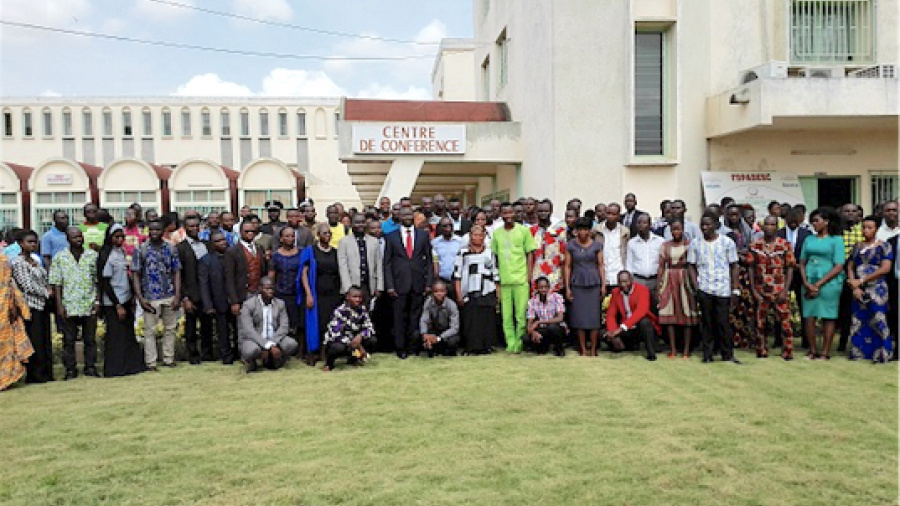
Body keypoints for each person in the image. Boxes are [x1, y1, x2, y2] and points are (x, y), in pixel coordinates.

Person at [688, 213, 740, 364]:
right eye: (702, 225)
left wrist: (735, 289)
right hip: (704, 287)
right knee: (707, 323)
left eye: (708, 224)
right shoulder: (695, 243)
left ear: (716, 225)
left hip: (723, 288)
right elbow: (691, 266)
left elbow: (734, 266)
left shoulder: (727, 242)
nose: (705, 227)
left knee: (723, 323)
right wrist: (696, 286)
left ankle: (727, 355)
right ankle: (708, 355)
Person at [49, 227, 100, 379]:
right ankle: (70, 370)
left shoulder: (92, 256)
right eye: (74, 237)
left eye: (80, 236)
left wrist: (97, 301)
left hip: (88, 302)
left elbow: (97, 281)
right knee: (68, 340)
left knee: (90, 339)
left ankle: (90, 367)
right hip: (69, 304)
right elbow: (56, 283)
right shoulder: (60, 257)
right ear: (68, 239)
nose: (78, 239)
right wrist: (59, 305)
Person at [384, 207, 434, 358]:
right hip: (399, 285)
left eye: (409, 214)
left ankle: (413, 347)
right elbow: (387, 263)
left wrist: (429, 283)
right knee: (399, 318)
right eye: (403, 214)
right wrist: (390, 285)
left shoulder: (423, 236)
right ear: (399, 216)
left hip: (418, 283)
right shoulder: (391, 237)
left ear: (413, 216)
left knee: (415, 317)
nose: (406, 217)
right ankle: (401, 348)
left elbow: (429, 262)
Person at [96, 224, 145, 377]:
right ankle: (115, 369)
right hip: (113, 302)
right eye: (116, 237)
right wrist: (117, 305)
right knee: (115, 336)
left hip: (125, 298)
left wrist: (131, 297)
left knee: (127, 334)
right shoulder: (106, 254)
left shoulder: (121, 252)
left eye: (122, 237)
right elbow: (105, 282)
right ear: (110, 238)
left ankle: (131, 366)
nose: (120, 240)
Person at [132, 220, 182, 370]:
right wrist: (140, 297)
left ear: (163, 231)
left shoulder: (171, 248)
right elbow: (135, 274)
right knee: (150, 331)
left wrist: (177, 295)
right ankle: (151, 362)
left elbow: (177, 272)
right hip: (149, 296)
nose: (154, 232)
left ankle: (168, 359)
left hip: (169, 294)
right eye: (151, 230)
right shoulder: (141, 249)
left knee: (170, 329)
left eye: (157, 230)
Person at [799, 207, 845, 360]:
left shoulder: (836, 240)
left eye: (817, 220)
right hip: (808, 281)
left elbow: (839, 265)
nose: (814, 224)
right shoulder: (809, 239)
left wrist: (818, 284)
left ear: (826, 222)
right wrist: (806, 282)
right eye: (812, 221)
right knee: (809, 316)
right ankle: (812, 350)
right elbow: (802, 262)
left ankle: (825, 352)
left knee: (828, 316)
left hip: (829, 282)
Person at [747, 216, 797, 360]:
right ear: (762, 227)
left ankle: (787, 351)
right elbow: (750, 268)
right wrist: (754, 290)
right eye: (767, 224)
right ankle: (761, 350)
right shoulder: (755, 245)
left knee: (785, 323)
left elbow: (790, 268)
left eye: (772, 224)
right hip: (761, 290)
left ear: (777, 227)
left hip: (779, 289)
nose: (769, 227)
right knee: (760, 323)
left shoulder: (785, 245)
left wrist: (785, 290)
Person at [846, 215, 894, 362]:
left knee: (878, 318)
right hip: (858, 288)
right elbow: (850, 266)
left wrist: (862, 280)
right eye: (864, 227)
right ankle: (859, 352)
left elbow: (885, 268)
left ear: (876, 229)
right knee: (859, 319)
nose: (866, 230)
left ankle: (882, 353)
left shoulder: (884, 246)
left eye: (869, 228)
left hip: (877, 288)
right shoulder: (857, 246)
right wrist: (854, 284)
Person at [491, 202, 536, 354]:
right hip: (504, 281)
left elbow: (530, 253)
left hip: (521, 279)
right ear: (501, 214)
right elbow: (495, 257)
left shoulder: (524, 231)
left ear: (515, 214)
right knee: (506, 316)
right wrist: (497, 279)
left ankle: (519, 343)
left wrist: (529, 276)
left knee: (521, 315)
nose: (508, 216)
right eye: (505, 213)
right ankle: (510, 343)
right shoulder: (497, 233)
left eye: (511, 213)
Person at [10, 230, 53, 383]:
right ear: (21, 243)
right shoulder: (17, 262)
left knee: (44, 339)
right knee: (35, 341)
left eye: (35, 241)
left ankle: (47, 373)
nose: (33, 244)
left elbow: (43, 278)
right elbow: (26, 285)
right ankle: (36, 375)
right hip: (29, 306)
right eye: (29, 242)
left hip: (42, 305)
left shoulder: (34, 260)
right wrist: (47, 292)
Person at [299, 223, 342, 365]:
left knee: (330, 323)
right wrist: (308, 294)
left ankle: (327, 352)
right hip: (316, 294)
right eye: (324, 233)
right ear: (318, 235)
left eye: (329, 233)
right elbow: (304, 273)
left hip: (333, 294)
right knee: (316, 324)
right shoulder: (310, 251)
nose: (327, 236)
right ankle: (313, 353)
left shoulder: (335, 252)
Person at [453, 225, 499, 355]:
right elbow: (457, 275)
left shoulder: (490, 253)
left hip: (487, 290)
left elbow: (495, 274)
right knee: (471, 320)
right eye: (475, 235)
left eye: (480, 235)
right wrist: (458, 294)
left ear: (484, 237)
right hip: (469, 291)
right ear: (470, 236)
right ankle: (473, 346)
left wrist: (497, 293)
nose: (478, 238)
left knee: (486, 319)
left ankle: (486, 346)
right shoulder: (462, 253)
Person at [238, 277, 299, 372]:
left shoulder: (280, 304)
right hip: (255, 340)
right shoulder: (248, 305)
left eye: (272, 288)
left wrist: (272, 343)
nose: (270, 291)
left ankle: (276, 360)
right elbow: (249, 330)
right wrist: (266, 345)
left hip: (275, 339)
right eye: (267, 289)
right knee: (251, 350)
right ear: (259, 289)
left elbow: (284, 326)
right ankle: (251, 361)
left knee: (291, 344)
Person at [657, 219, 698, 359]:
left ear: (683, 229)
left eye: (678, 229)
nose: (676, 232)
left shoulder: (689, 245)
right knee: (670, 313)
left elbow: (693, 264)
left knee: (687, 313)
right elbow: (661, 266)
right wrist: (660, 284)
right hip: (669, 278)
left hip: (685, 278)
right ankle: (673, 349)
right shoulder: (665, 246)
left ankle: (686, 350)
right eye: (673, 229)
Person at [564, 217, 605, 356]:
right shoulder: (570, 245)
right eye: (580, 229)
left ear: (590, 230)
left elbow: (600, 265)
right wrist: (568, 287)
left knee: (594, 318)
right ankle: (582, 349)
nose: (583, 232)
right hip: (577, 283)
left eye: (586, 229)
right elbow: (568, 266)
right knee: (579, 318)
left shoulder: (597, 245)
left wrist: (603, 285)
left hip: (593, 282)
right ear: (576, 231)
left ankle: (593, 349)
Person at [176, 215, 211, 364]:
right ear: (185, 229)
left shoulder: (207, 245)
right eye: (191, 226)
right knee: (190, 327)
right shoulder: (180, 248)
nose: (194, 229)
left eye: (197, 226)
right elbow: (179, 275)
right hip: (191, 294)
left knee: (207, 326)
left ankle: (207, 354)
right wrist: (184, 297)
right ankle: (193, 355)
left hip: (207, 293)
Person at [722, 203, 758, 350]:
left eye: (737, 215)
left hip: (745, 273)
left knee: (745, 306)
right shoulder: (723, 232)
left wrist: (743, 255)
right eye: (731, 215)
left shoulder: (747, 231)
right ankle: (730, 340)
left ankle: (745, 339)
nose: (734, 217)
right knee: (730, 308)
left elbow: (752, 250)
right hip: (728, 272)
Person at [777, 207, 812, 347]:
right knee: (780, 306)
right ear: (785, 220)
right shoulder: (779, 234)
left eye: (795, 220)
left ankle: (806, 340)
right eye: (790, 220)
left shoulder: (807, 234)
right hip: (782, 275)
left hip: (801, 275)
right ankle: (779, 340)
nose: (793, 222)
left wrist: (799, 265)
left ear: (800, 220)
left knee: (803, 306)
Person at [605, 271, 659, 361]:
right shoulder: (615, 292)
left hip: (641, 326)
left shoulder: (643, 290)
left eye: (626, 281)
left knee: (644, 322)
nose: (623, 285)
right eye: (621, 282)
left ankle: (651, 353)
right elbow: (611, 314)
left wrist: (620, 329)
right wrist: (612, 332)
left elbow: (641, 311)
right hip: (627, 327)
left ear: (631, 280)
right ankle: (623, 346)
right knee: (604, 334)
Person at [199, 232, 236, 364]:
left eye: (223, 240)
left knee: (237, 329)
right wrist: (208, 305)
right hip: (218, 300)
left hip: (235, 300)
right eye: (218, 241)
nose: (222, 243)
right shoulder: (206, 260)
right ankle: (226, 356)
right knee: (223, 331)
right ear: (212, 244)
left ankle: (237, 353)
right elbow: (204, 284)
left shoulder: (232, 256)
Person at [225, 220, 268, 330]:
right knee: (243, 327)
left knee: (260, 326)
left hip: (258, 294)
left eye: (252, 231)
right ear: (240, 232)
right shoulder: (232, 251)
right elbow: (229, 278)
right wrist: (234, 301)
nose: (250, 233)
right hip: (242, 294)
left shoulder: (260, 249)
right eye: (247, 231)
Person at [322, 286, 376, 371]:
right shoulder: (339, 311)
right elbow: (336, 334)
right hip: (338, 341)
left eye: (360, 297)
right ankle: (329, 364)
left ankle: (353, 359)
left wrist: (360, 336)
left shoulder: (362, 309)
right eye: (355, 297)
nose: (358, 300)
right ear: (347, 297)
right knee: (338, 348)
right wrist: (358, 345)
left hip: (354, 340)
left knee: (372, 340)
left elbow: (369, 327)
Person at [0, 251, 33, 390]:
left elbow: (8, 283)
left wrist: (13, 305)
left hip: (4, 304)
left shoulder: (3, 259)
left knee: (6, 343)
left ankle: (5, 379)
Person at [837, 203, 864, 352]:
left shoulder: (863, 230)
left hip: (859, 275)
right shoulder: (836, 231)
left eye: (853, 211)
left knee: (858, 310)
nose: (850, 214)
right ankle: (842, 342)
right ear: (841, 213)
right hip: (838, 274)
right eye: (846, 211)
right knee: (843, 311)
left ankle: (858, 343)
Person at [268, 227, 303, 345]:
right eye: (287, 236)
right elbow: (271, 276)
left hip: (298, 294)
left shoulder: (301, 253)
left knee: (298, 323)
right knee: (281, 323)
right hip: (280, 294)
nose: (290, 238)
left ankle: (298, 349)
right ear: (281, 238)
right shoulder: (276, 256)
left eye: (292, 236)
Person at [338, 213, 383, 304]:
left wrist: (379, 286)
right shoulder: (344, 242)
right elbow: (343, 266)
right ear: (351, 224)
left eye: (363, 222)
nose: (360, 225)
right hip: (352, 285)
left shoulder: (374, 241)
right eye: (357, 222)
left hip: (369, 286)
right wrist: (348, 288)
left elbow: (378, 265)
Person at [531, 200, 567, 294]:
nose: (543, 214)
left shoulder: (559, 230)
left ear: (551, 211)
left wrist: (564, 279)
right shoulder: (532, 231)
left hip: (554, 274)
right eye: (540, 211)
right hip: (536, 275)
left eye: (546, 211)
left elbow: (563, 257)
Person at [525, 276, 567, 356]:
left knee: (553, 327)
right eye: (541, 287)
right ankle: (543, 347)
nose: (543, 290)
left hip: (557, 328)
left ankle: (559, 348)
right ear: (537, 288)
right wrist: (533, 332)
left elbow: (560, 318)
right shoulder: (532, 301)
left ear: (549, 287)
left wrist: (539, 321)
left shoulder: (557, 297)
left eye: (545, 287)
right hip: (543, 329)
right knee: (526, 338)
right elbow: (529, 324)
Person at [419, 281, 461, 357]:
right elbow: (424, 320)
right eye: (436, 291)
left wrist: (438, 338)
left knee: (452, 341)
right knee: (416, 335)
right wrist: (425, 335)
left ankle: (446, 351)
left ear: (445, 292)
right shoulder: (428, 302)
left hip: (447, 332)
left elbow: (455, 328)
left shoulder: (452, 305)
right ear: (432, 293)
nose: (439, 294)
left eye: (441, 291)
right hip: (434, 330)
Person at [626, 214, 664, 295]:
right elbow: (629, 264)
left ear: (650, 225)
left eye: (644, 223)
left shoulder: (660, 241)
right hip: (638, 280)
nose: (641, 225)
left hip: (655, 280)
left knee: (655, 305)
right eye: (639, 223)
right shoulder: (631, 243)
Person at [597, 203, 629, 293]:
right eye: (608, 213)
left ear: (618, 216)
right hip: (602, 277)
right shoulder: (597, 231)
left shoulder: (624, 232)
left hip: (618, 276)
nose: (610, 216)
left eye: (613, 214)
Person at [431, 217, 462, 300]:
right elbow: (434, 261)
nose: (448, 228)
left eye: (450, 225)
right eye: (445, 226)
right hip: (442, 281)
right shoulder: (435, 243)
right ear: (440, 228)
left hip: (457, 281)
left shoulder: (460, 241)